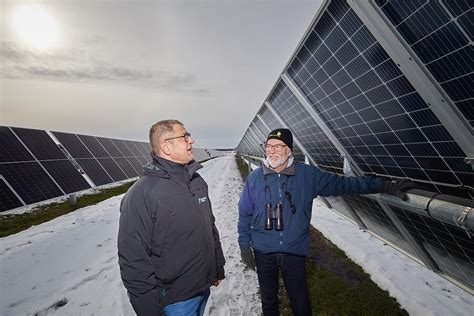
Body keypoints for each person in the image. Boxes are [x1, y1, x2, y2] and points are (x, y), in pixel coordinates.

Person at [238, 128, 419, 316]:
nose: (272, 151)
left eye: (278, 146)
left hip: (293, 252)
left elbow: (344, 184)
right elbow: (244, 214)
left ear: (289, 150)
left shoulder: (308, 175)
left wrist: (384, 185)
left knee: (300, 305)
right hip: (263, 251)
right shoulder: (254, 179)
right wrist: (244, 246)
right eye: (269, 146)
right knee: (268, 303)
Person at [118, 119, 225, 316]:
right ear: (166, 146)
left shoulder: (196, 182)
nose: (191, 141)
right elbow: (133, 260)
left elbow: (209, 227)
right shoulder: (142, 194)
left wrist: (217, 267)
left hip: (203, 287)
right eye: (185, 136)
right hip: (175, 300)